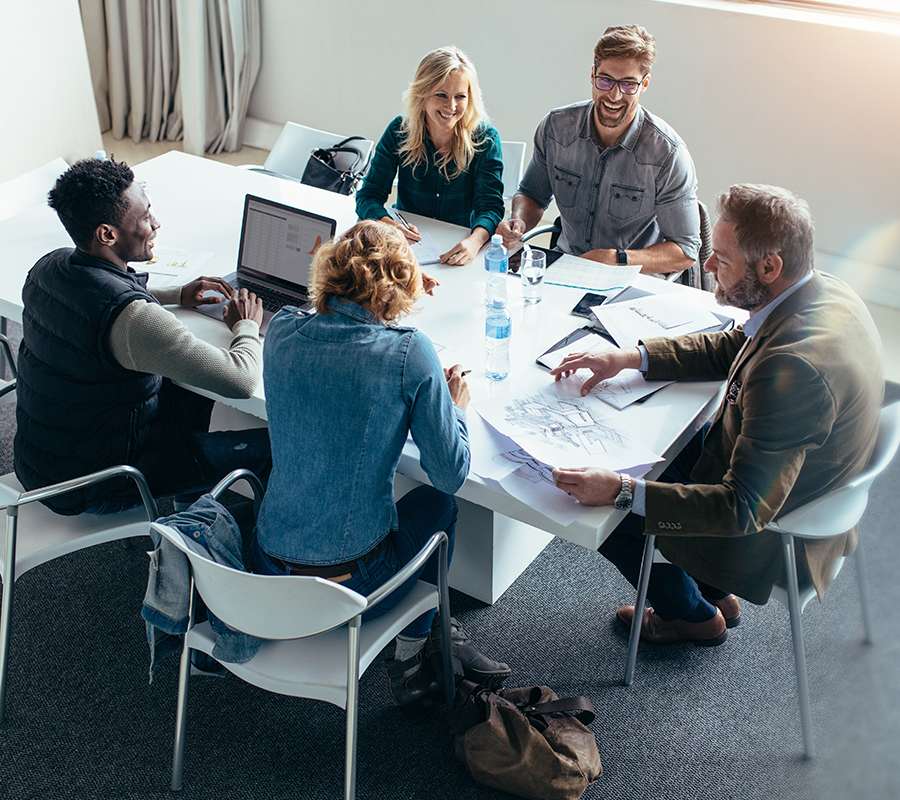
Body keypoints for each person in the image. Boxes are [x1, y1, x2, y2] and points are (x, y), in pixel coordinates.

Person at [549, 184, 884, 645]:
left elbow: (741, 509)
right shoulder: (822, 292)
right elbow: (737, 344)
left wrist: (622, 490)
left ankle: (692, 616)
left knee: (609, 513)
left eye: (721, 259)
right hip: (794, 476)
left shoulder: (794, 371)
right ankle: (711, 591)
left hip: (766, 528)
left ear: (770, 267)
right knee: (664, 454)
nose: (706, 266)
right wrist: (628, 358)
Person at [252, 220, 510, 719]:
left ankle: (426, 641)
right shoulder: (409, 352)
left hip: (265, 566)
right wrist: (453, 405)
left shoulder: (281, 328)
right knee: (440, 507)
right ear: (401, 285)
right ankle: (412, 657)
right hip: (352, 584)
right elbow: (450, 474)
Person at [14, 157, 271, 515]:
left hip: (44, 458)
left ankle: (191, 510)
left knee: (191, 389)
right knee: (273, 449)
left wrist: (175, 294)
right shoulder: (132, 319)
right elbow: (241, 381)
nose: (156, 223)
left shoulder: (49, 266)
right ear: (107, 234)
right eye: (145, 216)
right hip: (99, 481)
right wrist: (246, 324)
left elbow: (100, 296)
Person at [497, 25, 700, 276]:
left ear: (644, 84)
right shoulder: (556, 128)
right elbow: (532, 195)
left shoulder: (667, 154)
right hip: (564, 268)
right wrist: (518, 222)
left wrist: (618, 259)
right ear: (592, 75)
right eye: (605, 80)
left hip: (630, 278)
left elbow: (685, 250)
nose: (614, 96)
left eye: (628, 84)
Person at [355, 46, 504, 266]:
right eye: (441, 95)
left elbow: (490, 206)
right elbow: (368, 195)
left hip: (459, 245)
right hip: (408, 247)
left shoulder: (486, 139)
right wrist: (389, 224)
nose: (451, 106)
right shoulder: (399, 131)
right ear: (422, 94)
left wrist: (474, 242)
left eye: (460, 96)